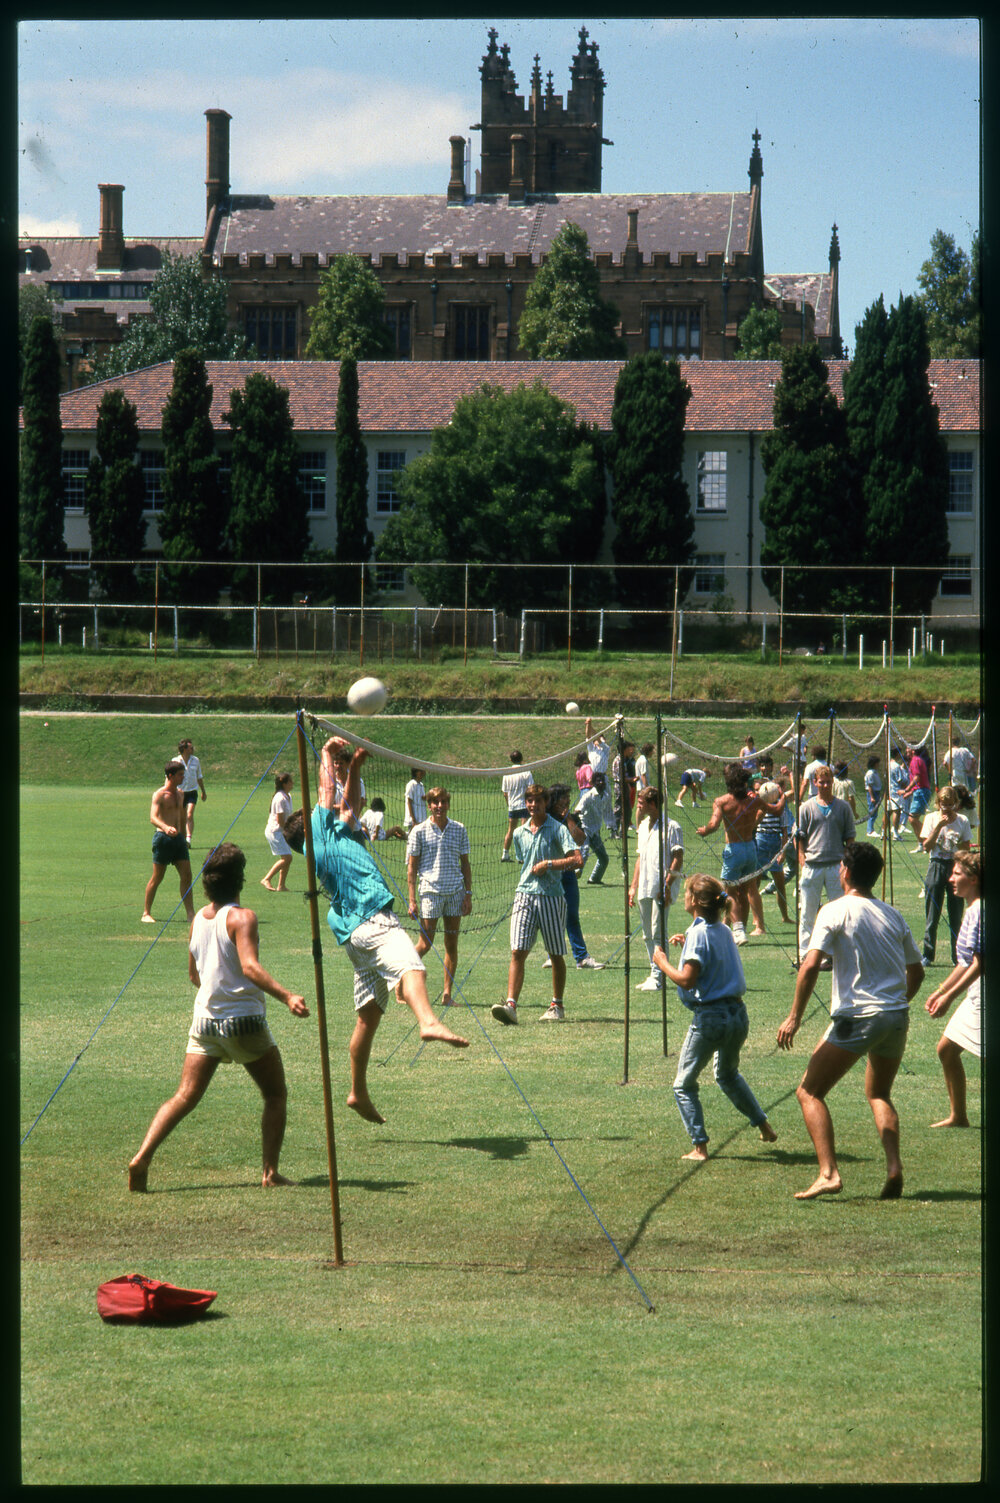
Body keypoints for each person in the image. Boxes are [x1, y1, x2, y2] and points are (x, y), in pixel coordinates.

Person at [286, 737, 468, 1124]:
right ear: (311, 824)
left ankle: (357, 1091)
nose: (331, 807)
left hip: (354, 932)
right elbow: (327, 791)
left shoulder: (331, 839)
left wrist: (354, 767)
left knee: (367, 1018)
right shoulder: (320, 830)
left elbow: (348, 804)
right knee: (413, 967)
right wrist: (325, 753)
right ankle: (428, 1022)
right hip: (372, 919)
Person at [128, 841, 309, 1192]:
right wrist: (287, 996)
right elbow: (250, 967)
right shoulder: (242, 917)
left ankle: (142, 1157)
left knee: (184, 1096)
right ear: (239, 879)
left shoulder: (198, 920)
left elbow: (194, 976)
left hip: (204, 1023)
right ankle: (270, 1173)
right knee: (275, 1094)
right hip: (244, 1022)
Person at [777, 840, 924, 1201]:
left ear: (844, 871)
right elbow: (917, 972)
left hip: (858, 1017)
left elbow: (810, 965)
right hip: (896, 1016)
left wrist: (794, 1017)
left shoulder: (834, 910)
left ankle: (829, 1173)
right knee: (879, 1093)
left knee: (809, 1091)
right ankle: (894, 1167)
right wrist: (893, 1005)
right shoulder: (892, 914)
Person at [651, 874, 778, 1162]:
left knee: (683, 1085)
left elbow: (687, 980)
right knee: (728, 1075)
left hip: (711, 1019)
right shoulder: (723, 929)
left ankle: (700, 1147)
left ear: (696, 901)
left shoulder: (699, 934)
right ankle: (764, 1126)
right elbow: (712, 956)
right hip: (738, 1015)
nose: (684, 898)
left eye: (687, 894)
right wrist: (687, 942)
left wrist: (662, 962)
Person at [491, 783, 582, 1025]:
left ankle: (557, 1005)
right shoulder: (519, 833)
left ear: (545, 803)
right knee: (517, 951)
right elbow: (524, 860)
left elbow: (577, 859)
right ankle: (511, 1005)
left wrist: (549, 864)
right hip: (524, 895)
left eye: (538, 801)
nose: (533, 805)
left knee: (555, 953)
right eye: (529, 801)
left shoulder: (557, 829)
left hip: (551, 897)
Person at [924, 851, 982, 1128]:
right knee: (946, 1050)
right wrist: (941, 989)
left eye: (957, 874)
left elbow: (980, 964)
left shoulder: (980, 909)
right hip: (974, 995)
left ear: (974, 879)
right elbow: (964, 962)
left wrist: (949, 997)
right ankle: (958, 1116)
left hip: (984, 997)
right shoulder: (973, 909)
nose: (950, 879)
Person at [697, 762, 784, 944]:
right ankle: (741, 930)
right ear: (745, 783)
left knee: (729, 893)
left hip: (734, 849)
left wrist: (704, 831)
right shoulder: (754, 800)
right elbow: (777, 810)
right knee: (744, 892)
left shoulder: (721, 801)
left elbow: (713, 825)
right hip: (750, 848)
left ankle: (738, 931)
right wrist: (781, 795)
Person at [403, 786, 473, 1007]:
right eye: (436, 802)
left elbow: (465, 864)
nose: (440, 806)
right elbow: (412, 868)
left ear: (448, 804)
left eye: (443, 802)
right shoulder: (418, 831)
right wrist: (412, 900)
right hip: (430, 894)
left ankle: (447, 995)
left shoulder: (459, 829)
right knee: (425, 943)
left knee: (451, 944)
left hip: (455, 893)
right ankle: (400, 981)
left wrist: (468, 894)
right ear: (429, 805)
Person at [796, 763, 855, 965]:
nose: (825, 785)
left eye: (828, 782)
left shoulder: (843, 807)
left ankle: (836, 952)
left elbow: (850, 838)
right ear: (815, 783)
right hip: (812, 865)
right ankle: (805, 952)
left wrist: (847, 862)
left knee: (839, 912)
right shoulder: (806, 807)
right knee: (808, 911)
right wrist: (801, 857)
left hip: (836, 865)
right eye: (821, 782)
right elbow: (799, 836)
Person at [628, 787, 684, 991]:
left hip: (660, 886)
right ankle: (654, 972)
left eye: (641, 803)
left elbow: (677, 858)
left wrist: (667, 884)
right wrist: (633, 886)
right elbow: (640, 857)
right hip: (644, 885)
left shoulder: (672, 827)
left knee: (658, 931)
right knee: (647, 934)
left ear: (652, 804)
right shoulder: (643, 826)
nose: (638, 806)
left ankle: (659, 976)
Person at [545, 784, 605, 971]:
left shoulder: (572, 818)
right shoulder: (545, 819)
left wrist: (568, 819)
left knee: (571, 915)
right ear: (555, 800)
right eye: (565, 797)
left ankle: (581, 957)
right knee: (552, 916)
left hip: (568, 873)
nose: (569, 800)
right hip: (550, 874)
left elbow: (580, 839)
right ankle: (553, 955)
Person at [918, 785, 971, 965]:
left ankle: (958, 956)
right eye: (943, 804)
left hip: (955, 865)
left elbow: (966, 847)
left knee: (956, 914)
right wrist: (939, 826)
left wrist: (957, 841)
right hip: (936, 864)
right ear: (938, 803)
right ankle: (928, 954)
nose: (946, 808)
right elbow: (926, 846)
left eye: (950, 804)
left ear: (955, 804)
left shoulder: (962, 820)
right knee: (932, 914)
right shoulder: (931, 818)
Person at [142, 760, 196, 924]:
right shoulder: (160, 795)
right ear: (170, 776)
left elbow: (182, 816)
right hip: (163, 839)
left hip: (178, 840)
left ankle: (190, 913)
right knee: (158, 877)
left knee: (187, 875)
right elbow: (153, 817)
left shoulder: (180, 794)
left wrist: (184, 837)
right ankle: (146, 913)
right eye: (180, 775)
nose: (183, 777)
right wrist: (166, 828)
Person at [754, 776, 794, 925]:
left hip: (775, 844)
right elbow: (753, 826)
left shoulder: (780, 809)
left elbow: (784, 832)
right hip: (761, 842)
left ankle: (785, 917)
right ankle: (756, 919)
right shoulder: (757, 807)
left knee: (780, 884)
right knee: (755, 883)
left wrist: (783, 852)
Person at [261, 771, 296, 892]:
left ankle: (281, 886)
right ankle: (267, 879)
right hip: (275, 832)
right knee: (287, 858)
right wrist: (292, 829)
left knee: (287, 857)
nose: (292, 783)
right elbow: (280, 821)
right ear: (285, 784)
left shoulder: (288, 796)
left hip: (282, 831)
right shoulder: (280, 798)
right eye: (290, 781)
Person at [574, 772, 610, 885]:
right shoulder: (588, 796)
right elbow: (577, 811)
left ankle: (594, 879)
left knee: (604, 858)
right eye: (598, 781)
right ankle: (574, 875)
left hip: (595, 830)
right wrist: (578, 829)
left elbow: (606, 812)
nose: (601, 782)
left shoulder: (606, 796)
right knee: (584, 853)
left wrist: (611, 826)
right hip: (585, 828)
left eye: (602, 780)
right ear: (593, 783)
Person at [500, 751, 533, 862]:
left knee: (511, 830)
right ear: (522, 759)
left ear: (510, 760)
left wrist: (509, 804)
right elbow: (531, 789)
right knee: (524, 831)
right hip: (524, 805)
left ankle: (505, 854)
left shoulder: (507, 773)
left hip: (513, 806)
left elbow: (505, 793)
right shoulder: (526, 772)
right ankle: (522, 856)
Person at [585, 717, 616, 834]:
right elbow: (588, 736)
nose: (599, 739)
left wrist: (591, 725)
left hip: (603, 777)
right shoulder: (591, 748)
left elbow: (596, 736)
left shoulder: (605, 748)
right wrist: (588, 725)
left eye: (602, 738)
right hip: (593, 777)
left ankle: (612, 827)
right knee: (592, 801)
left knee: (607, 801)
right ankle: (592, 826)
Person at [901, 744, 932, 848]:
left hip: (921, 792)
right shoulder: (916, 760)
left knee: (913, 819)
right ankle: (922, 843)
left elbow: (917, 778)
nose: (906, 750)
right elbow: (920, 780)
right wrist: (910, 793)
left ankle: (929, 839)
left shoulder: (915, 760)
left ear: (913, 750)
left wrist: (907, 789)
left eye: (908, 748)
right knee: (913, 819)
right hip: (920, 791)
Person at [177, 738, 207, 845]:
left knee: (189, 814)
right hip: (180, 793)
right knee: (181, 817)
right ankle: (181, 838)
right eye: (191, 747)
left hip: (192, 791)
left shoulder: (196, 760)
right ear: (184, 749)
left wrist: (203, 791)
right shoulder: (176, 761)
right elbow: (169, 778)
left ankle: (188, 839)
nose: (193, 749)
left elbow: (199, 777)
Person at [611, 740, 637, 834]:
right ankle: (614, 832)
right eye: (628, 748)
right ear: (624, 749)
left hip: (625, 786)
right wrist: (631, 780)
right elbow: (620, 778)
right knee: (618, 809)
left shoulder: (624, 760)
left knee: (627, 810)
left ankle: (623, 833)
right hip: (620, 787)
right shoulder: (619, 761)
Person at [887, 746, 911, 842]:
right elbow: (901, 780)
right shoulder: (896, 766)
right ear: (897, 754)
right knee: (896, 811)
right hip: (896, 791)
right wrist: (907, 784)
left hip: (888, 791)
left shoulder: (887, 764)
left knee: (888, 812)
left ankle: (884, 832)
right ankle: (895, 833)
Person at [864, 756, 884, 836]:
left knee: (875, 813)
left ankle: (871, 829)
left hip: (877, 793)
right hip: (873, 793)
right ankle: (870, 831)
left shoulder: (875, 772)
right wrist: (872, 797)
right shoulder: (870, 773)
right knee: (872, 812)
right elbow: (870, 786)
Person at [404, 767, 427, 832]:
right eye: (420, 771)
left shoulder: (421, 785)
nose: (423, 772)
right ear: (416, 773)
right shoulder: (411, 784)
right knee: (412, 835)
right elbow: (409, 801)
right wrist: (413, 819)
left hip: (421, 818)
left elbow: (422, 797)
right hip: (414, 818)